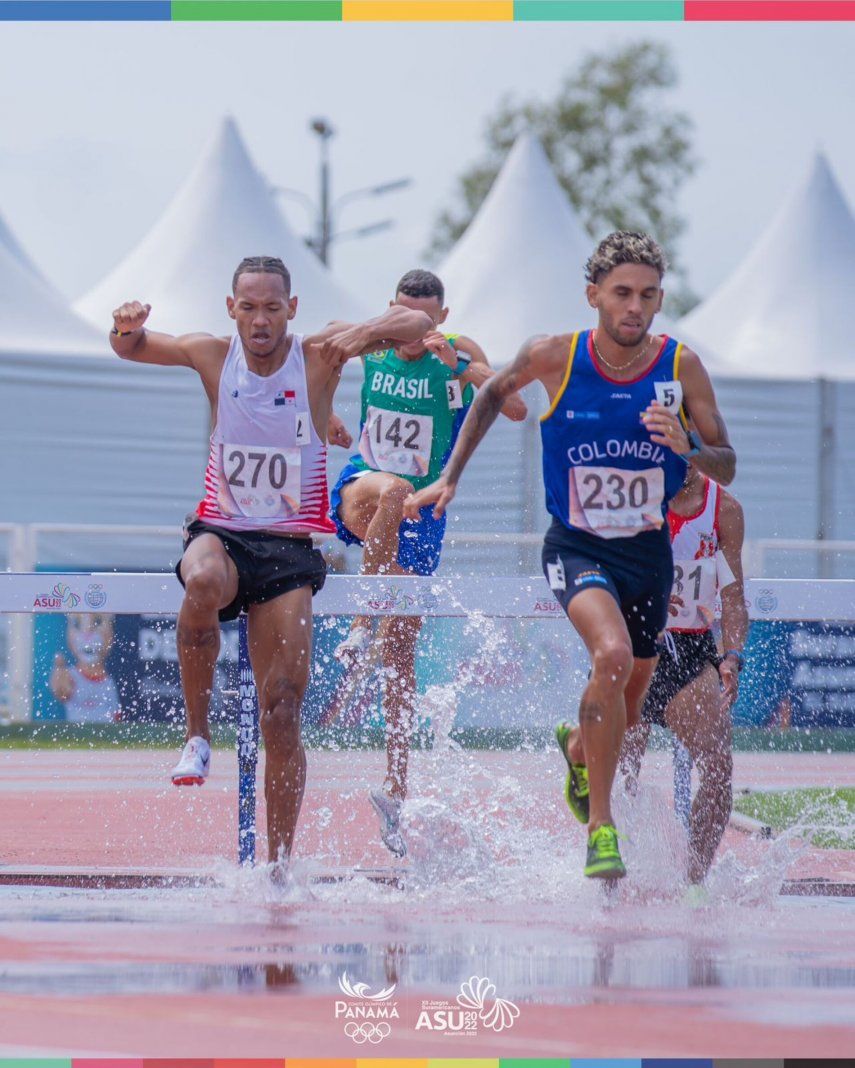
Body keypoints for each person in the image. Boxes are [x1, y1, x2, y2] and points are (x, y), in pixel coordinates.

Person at [404, 231, 736, 880]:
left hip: (647, 554)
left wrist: (689, 447)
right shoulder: (554, 356)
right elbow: (493, 393)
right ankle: (601, 828)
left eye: (646, 295)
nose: (633, 307)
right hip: (576, 546)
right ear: (594, 296)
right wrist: (449, 477)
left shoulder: (680, 366)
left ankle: (580, 748)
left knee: (630, 703)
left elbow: (726, 459)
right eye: (620, 294)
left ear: (659, 298)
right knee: (609, 656)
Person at [109, 256, 432, 870]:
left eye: (272, 307)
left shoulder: (317, 357)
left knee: (282, 710)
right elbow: (133, 348)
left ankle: (279, 868)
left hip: (288, 549)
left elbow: (415, 320)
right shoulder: (212, 353)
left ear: (292, 309)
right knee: (200, 579)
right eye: (249, 307)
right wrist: (125, 327)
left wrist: (362, 336)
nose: (260, 320)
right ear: (231, 309)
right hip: (222, 533)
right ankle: (197, 737)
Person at [328, 268, 526, 857]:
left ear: (441, 317)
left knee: (403, 652)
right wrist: (322, 419)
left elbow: (514, 407)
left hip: (422, 512)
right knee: (387, 491)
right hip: (365, 487)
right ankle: (362, 621)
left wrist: (457, 366)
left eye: (424, 321)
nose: (411, 331)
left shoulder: (459, 353)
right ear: (391, 310)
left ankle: (396, 787)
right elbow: (313, 353)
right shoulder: (371, 343)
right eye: (403, 317)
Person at [621, 464, 748, 886]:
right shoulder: (633, 491)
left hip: (690, 652)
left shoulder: (724, 509)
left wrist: (730, 656)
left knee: (718, 770)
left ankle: (694, 884)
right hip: (634, 643)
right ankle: (610, 883)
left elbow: (732, 596)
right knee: (620, 775)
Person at [49, 612, 121, 723]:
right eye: (78, 624)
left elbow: (116, 715)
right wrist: (59, 671)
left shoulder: (108, 683)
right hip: (77, 735)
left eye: (97, 622)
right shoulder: (72, 675)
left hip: (104, 737)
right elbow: (62, 692)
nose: (87, 635)